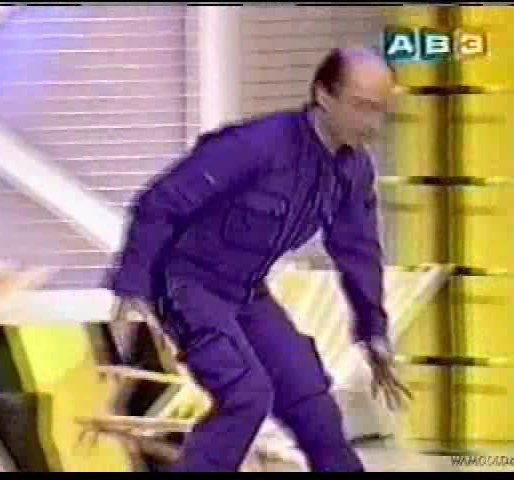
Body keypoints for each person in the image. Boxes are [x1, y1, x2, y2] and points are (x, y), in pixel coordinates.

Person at [107, 47, 412, 472]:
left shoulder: (353, 170)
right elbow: (161, 202)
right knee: (246, 394)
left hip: (246, 291)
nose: (372, 124)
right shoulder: (255, 145)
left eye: (381, 111)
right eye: (362, 107)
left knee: (310, 399)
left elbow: (358, 250)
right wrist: (132, 285)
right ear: (323, 95)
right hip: (184, 283)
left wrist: (373, 332)